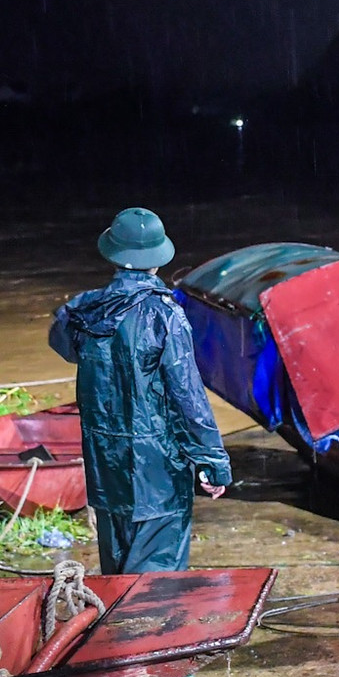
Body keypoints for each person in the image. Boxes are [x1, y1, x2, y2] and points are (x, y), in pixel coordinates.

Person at [48, 207, 232, 578]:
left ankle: (115, 633)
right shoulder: (164, 315)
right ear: (158, 260)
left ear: (113, 253)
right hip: (158, 472)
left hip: (107, 467)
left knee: (117, 575)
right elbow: (188, 396)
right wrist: (213, 461)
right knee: (156, 586)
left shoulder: (84, 310)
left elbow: (64, 344)